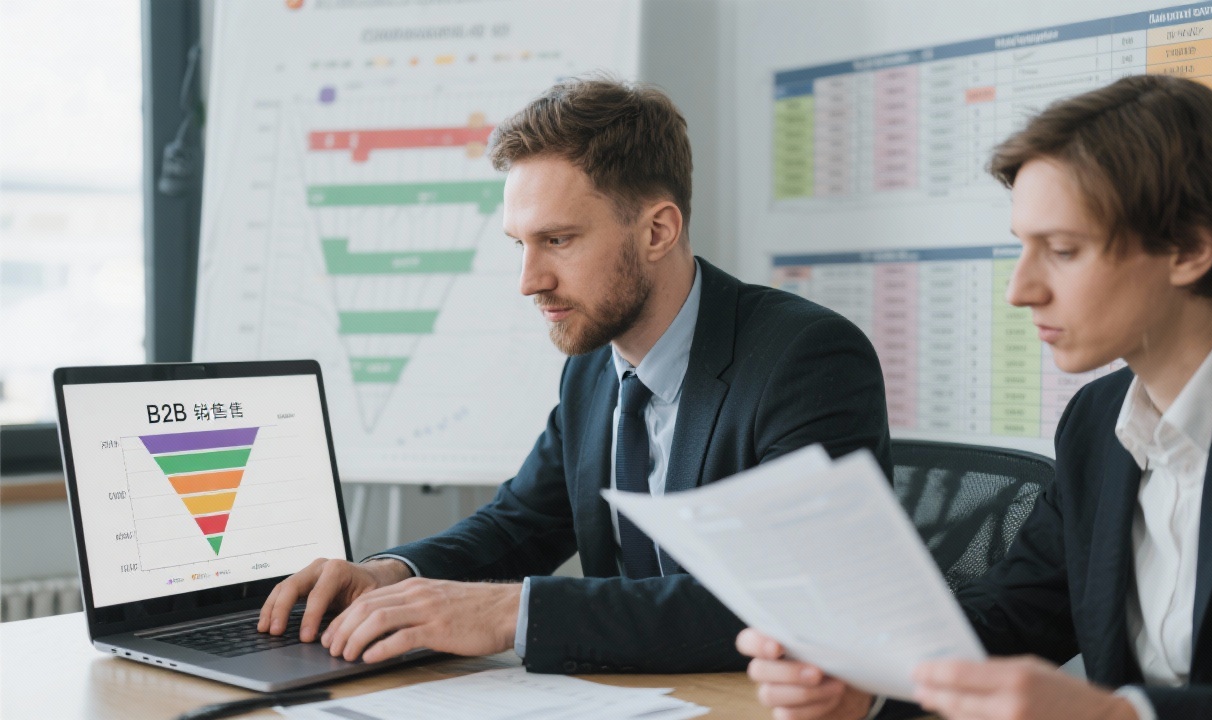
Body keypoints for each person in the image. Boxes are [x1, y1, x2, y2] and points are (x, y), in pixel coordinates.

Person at [258, 77, 892, 674]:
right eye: (520, 244)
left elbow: (791, 601)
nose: (530, 281)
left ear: (657, 231)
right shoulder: (594, 365)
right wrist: (390, 574)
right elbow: (521, 522)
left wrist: (514, 612)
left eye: (557, 241)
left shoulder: (806, 358)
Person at [737, 73, 1212, 720]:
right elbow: (1015, 613)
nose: (1019, 290)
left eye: (1062, 250)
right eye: (1022, 248)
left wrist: (1116, 717)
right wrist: (871, 681)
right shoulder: (1098, 423)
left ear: (1190, 248)